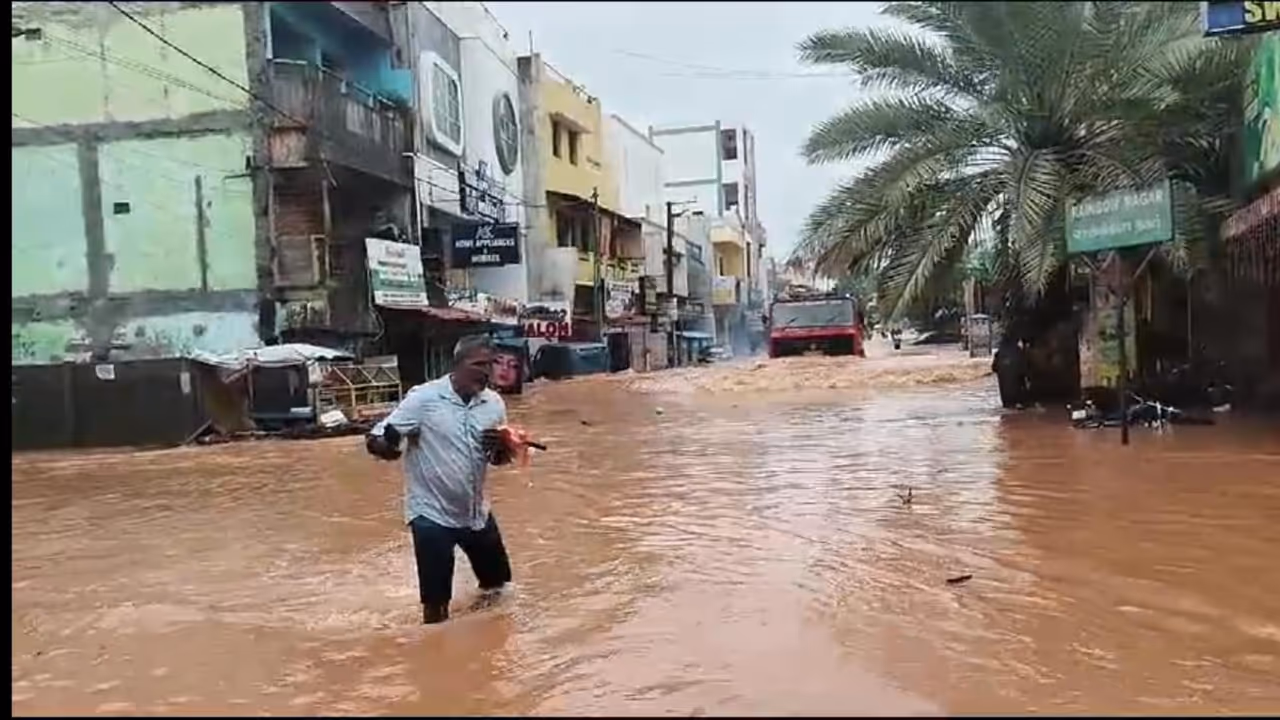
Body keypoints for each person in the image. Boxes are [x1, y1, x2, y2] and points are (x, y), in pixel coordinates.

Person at [365, 335, 516, 624]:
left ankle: (486, 641)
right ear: (457, 365)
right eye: (479, 364)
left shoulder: (493, 404)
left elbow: (496, 460)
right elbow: (378, 439)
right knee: (436, 608)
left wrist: (502, 448)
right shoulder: (424, 398)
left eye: (491, 364)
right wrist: (388, 446)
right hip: (431, 515)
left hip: (476, 514)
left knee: (500, 590)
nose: (486, 372)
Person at [993, 335, 1029, 409]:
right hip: (1017, 389)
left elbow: (994, 368)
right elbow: (1024, 369)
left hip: (1004, 391)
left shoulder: (999, 353)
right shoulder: (1018, 351)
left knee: (1007, 407)